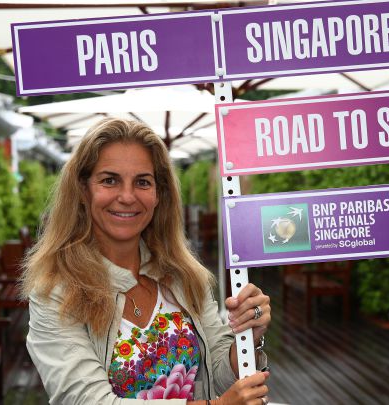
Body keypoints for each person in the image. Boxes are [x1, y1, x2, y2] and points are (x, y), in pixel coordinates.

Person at [21, 118, 271, 405]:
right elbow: (86, 400)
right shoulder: (55, 292)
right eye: (109, 180)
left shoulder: (185, 276)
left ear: (158, 195)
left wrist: (247, 336)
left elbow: (220, 375)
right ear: (82, 190)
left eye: (142, 182)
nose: (127, 197)